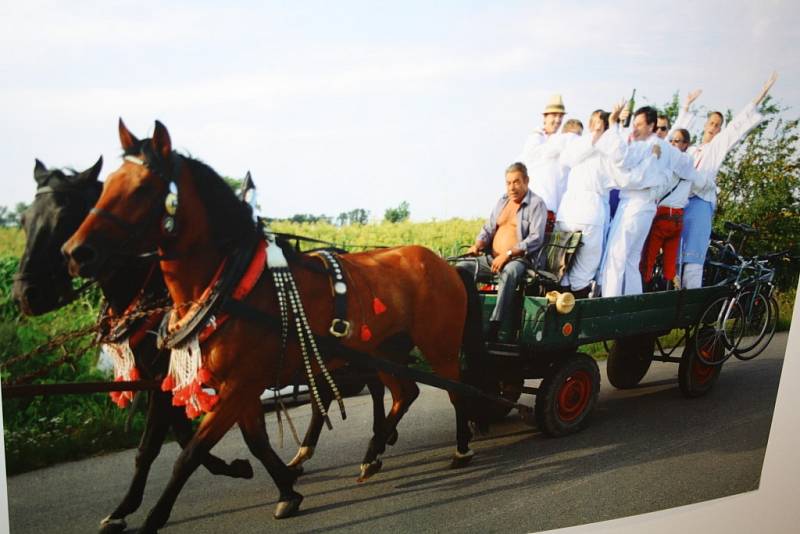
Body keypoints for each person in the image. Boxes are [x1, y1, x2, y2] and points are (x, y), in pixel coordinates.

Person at [679, 72, 778, 289]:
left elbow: (737, 126)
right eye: (711, 123)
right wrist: (686, 106)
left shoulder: (717, 146)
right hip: (681, 203)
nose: (714, 127)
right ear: (705, 124)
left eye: (718, 124)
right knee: (676, 252)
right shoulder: (692, 150)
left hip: (700, 203)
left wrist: (760, 95)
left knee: (693, 256)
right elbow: (674, 142)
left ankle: (690, 301)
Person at [600, 105, 695, 297]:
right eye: (634, 124)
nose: (635, 129)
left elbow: (620, 157)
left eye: (640, 125)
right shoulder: (668, 149)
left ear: (651, 126)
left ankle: (610, 307)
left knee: (616, 258)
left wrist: (613, 125)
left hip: (634, 205)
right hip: (648, 208)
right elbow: (687, 166)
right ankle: (631, 306)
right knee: (631, 260)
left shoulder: (646, 146)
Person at [458, 162, 548, 341]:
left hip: (521, 260)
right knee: (462, 268)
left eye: (516, 182)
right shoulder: (502, 201)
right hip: (492, 258)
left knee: (509, 272)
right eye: (508, 183)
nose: (512, 187)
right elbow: (488, 228)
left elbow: (536, 238)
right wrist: (478, 244)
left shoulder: (537, 204)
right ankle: (465, 317)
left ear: (526, 181)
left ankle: (495, 324)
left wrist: (507, 255)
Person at [555, 109, 624, 298]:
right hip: (587, 214)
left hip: (572, 212)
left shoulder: (582, 146)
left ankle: (564, 314)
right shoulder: (595, 148)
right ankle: (572, 318)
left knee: (562, 269)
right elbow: (620, 177)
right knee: (581, 271)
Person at [639, 128, 706, 289]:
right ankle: (671, 294)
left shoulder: (671, 165)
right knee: (670, 265)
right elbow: (703, 185)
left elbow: (658, 188)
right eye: (672, 140)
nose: (673, 144)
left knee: (648, 259)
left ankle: (643, 292)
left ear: (685, 144)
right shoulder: (691, 170)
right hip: (678, 219)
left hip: (662, 216)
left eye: (677, 141)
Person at [518, 94, 571, 230]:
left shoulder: (559, 139)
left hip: (554, 206)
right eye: (554, 115)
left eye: (560, 116)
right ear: (545, 117)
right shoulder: (536, 138)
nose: (557, 120)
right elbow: (533, 157)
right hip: (536, 205)